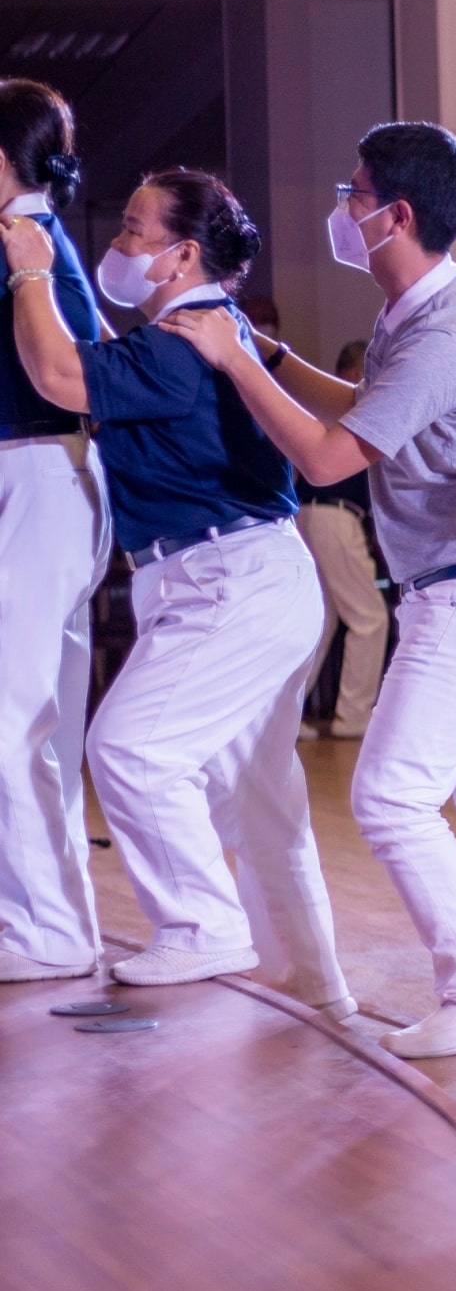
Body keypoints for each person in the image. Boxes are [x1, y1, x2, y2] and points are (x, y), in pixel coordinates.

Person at [166, 122, 456, 1063]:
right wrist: (267, 353)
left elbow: (323, 455)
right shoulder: (419, 309)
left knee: (392, 796)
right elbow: (362, 405)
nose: (340, 211)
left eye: (354, 196)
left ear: (397, 215)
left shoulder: (436, 331)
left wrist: (233, 362)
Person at [1, 168, 351, 1014]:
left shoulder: (177, 341)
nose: (118, 246)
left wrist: (32, 271)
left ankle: (202, 925)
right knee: (261, 802)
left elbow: (56, 375)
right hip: (235, 576)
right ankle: (312, 983)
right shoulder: (204, 331)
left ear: (183, 251)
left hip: (227, 580)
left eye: (132, 230)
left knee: (130, 748)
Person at [0, 78, 111, 984]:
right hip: (57, 475)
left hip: (35, 470)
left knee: (13, 713)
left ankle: (46, 928)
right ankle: (53, 917)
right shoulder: (37, 232)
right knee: (40, 712)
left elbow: (62, 367)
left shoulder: (22, 237)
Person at [294, 337, 388, 740]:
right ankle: (353, 716)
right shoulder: (352, 408)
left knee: (324, 620)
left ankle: (282, 715)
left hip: (309, 513)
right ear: (353, 373)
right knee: (370, 617)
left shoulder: (329, 410)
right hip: (334, 514)